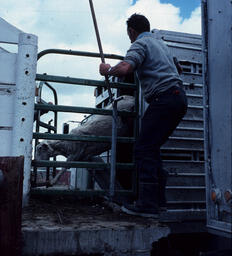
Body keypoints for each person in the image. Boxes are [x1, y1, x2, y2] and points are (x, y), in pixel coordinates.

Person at [99, 13, 187, 217]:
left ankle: (147, 204)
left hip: (163, 100)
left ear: (131, 31)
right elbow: (179, 68)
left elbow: (126, 67)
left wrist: (108, 69)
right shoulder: (162, 45)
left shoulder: (140, 44)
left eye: (128, 34)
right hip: (178, 98)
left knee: (144, 148)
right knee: (152, 147)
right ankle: (158, 202)